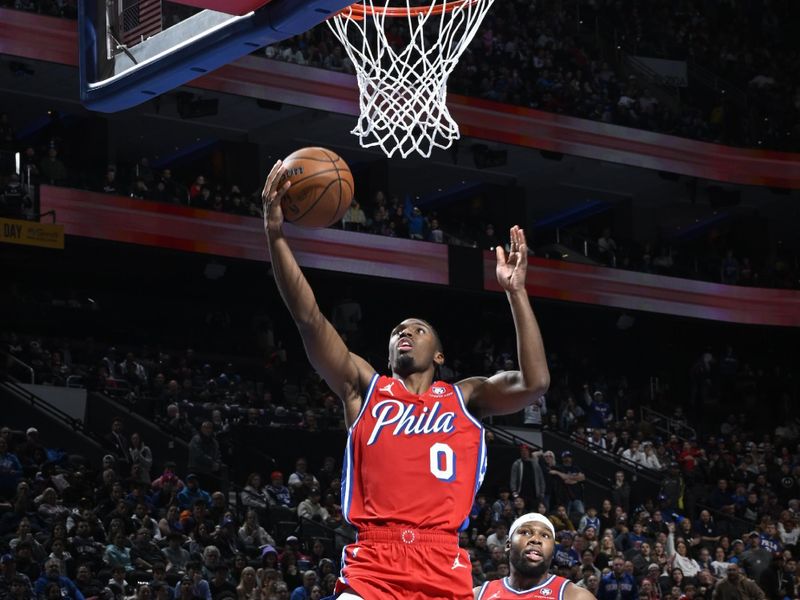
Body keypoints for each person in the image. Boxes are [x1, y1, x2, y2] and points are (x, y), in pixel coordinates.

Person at [262, 162, 550, 600]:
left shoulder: (466, 396)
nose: (405, 333)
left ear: (438, 354)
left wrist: (516, 293)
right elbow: (308, 319)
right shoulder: (364, 387)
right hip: (373, 561)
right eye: (398, 330)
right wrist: (276, 235)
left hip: (442, 561)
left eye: (417, 329)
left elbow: (535, 382)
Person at [472, 513, 593, 599]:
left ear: (552, 551)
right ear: (508, 545)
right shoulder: (478, 595)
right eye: (525, 532)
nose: (536, 539)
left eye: (545, 535)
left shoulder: (575, 596)